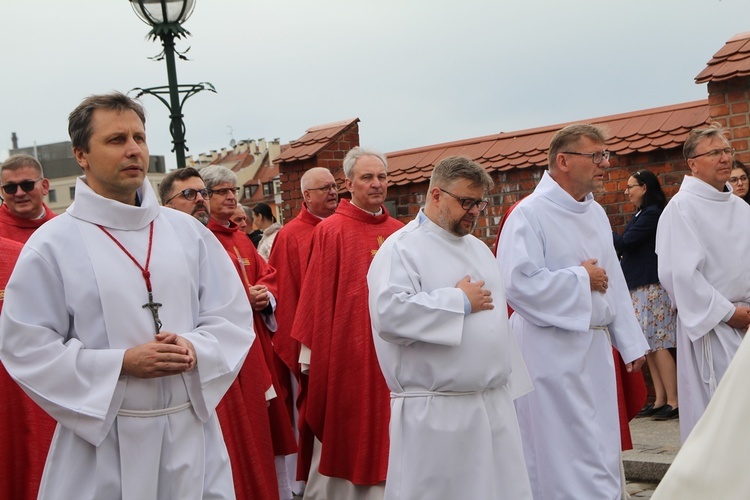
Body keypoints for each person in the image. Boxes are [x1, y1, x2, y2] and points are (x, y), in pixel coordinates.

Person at [0, 92, 254, 499]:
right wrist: (120, 364)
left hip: (190, 433)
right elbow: (25, 347)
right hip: (103, 441)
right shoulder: (52, 244)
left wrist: (194, 347)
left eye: (139, 137)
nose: (134, 149)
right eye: (117, 140)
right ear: (81, 154)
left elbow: (231, 318)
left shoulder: (188, 233)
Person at [496, 123, 649, 500]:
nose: (604, 164)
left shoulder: (594, 212)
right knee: (561, 448)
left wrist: (631, 342)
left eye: (605, 155)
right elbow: (516, 282)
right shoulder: (529, 214)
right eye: (595, 155)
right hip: (547, 351)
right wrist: (580, 279)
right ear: (563, 160)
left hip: (593, 349)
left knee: (599, 444)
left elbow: (612, 276)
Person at [367, 156, 533, 500]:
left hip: (491, 405)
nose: (474, 211)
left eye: (479, 203)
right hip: (438, 412)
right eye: (466, 202)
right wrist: (457, 301)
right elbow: (390, 315)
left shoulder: (478, 249)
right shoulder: (401, 248)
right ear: (437, 195)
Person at [160, 166, 281, 500]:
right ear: (166, 205)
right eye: (190, 194)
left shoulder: (232, 238)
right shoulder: (161, 249)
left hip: (237, 355)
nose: (200, 200)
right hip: (191, 367)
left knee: (248, 444)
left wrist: (264, 294)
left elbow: (263, 277)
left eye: (202, 193)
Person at [291, 147, 403, 499]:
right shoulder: (332, 231)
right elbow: (318, 301)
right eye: (367, 177)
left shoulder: (402, 232)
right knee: (352, 429)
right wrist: (316, 357)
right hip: (351, 356)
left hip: (398, 353)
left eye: (382, 177)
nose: (376, 184)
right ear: (348, 183)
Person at [202, 165, 298, 500]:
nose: (231, 197)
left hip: (256, 341)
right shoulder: (204, 240)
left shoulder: (240, 237)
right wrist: (246, 296)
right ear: (206, 196)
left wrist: (265, 294)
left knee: (266, 425)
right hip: (229, 349)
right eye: (222, 191)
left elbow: (267, 275)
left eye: (234, 191)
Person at [656, 123, 750, 441]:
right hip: (714, 326)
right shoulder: (681, 209)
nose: (724, 158)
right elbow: (679, 275)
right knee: (722, 419)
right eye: (714, 153)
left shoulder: (741, 207)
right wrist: (728, 313)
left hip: (746, 321)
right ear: (693, 163)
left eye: (727, 151)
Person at [268, 166, 339, 494]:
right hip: (309, 339)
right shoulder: (291, 234)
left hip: (342, 336)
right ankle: (305, 480)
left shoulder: (341, 227)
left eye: (335, 186)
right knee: (309, 406)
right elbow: (289, 291)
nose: (332, 192)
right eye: (324, 188)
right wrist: (303, 344)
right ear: (306, 196)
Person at [614, 169, 678, 421]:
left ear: (645, 187)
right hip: (640, 286)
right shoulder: (642, 213)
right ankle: (660, 398)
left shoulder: (652, 214)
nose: (627, 191)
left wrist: (599, 230)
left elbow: (625, 242)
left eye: (631, 186)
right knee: (649, 345)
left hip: (651, 286)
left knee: (659, 344)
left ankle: (674, 400)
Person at [0, 235, 55, 500]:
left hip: (23, 397)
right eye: (10, 188)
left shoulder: (26, 256)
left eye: (25, 187)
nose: (20, 191)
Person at [0, 154, 56, 243]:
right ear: (3, 192)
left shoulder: (62, 226)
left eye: (27, 185)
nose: (19, 193)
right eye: (11, 187)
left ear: (44, 186)